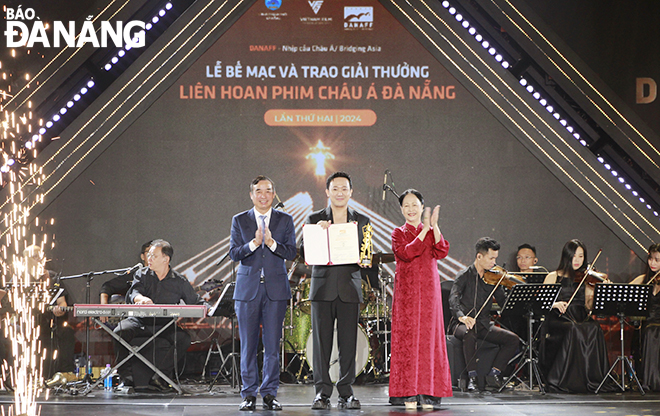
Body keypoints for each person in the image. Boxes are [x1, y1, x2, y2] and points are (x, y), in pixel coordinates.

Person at [229, 175, 297, 411]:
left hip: (275, 291)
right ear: (251, 194)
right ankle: (248, 394)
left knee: (272, 345)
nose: (264, 195)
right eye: (259, 191)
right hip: (247, 290)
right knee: (248, 345)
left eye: (268, 191)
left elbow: (291, 252)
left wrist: (271, 243)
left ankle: (269, 393)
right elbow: (234, 253)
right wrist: (255, 244)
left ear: (273, 194)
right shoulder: (240, 220)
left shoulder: (285, 220)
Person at [304, 171, 370, 410]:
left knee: (348, 344)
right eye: (335, 189)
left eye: (344, 189)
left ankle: (346, 392)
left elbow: (367, 253)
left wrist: (365, 259)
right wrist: (318, 234)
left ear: (351, 192)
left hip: (349, 289)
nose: (340, 193)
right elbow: (305, 253)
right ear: (327, 192)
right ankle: (321, 393)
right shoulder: (314, 218)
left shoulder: (362, 221)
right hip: (322, 288)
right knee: (321, 344)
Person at [388, 189, 452, 410]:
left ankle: (429, 391)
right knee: (407, 341)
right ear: (401, 209)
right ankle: (408, 392)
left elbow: (442, 250)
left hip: (429, 293)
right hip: (407, 293)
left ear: (421, 207)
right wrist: (424, 230)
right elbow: (407, 253)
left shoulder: (430, 230)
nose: (411, 209)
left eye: (415, 205)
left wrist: (433, 227)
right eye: (406, 206)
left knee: (428, 340)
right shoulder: (398, 232)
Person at [113, 239, 203, 392]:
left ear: (165, 259)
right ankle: (125, 378)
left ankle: (160, 378)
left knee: (183, 339)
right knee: (119, 332)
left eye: (153, 256)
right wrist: (141, 299)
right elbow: (134, 292)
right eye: (148, 255)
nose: (149, 259)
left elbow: (195, 301)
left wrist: (211, 308)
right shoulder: (142, 274)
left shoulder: (179, 281)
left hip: (164, 324)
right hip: (139, 321)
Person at [540, 239, 612, 393]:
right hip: (559, 319)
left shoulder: (586, 278)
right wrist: (555, 304)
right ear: (567, 257)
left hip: (580, 316)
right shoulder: (553, 276)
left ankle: (590, 377)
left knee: (594, 327)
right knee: (573, 329)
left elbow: (588, 306)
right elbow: (540, 303)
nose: (578, 260)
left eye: (581, 256)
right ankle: (565, 379)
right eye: (574, 256)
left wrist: (600, 292)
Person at [448, 237, 520, 392]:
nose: (494, 263)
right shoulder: (464, 275)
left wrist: (513, 293)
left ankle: (494, 374)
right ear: (479, 257)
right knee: (469, 332)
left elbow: (503, 303)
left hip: (484, 324)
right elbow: (453, 299)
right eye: (491, 258)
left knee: (512, 339)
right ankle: (472, 377)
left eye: (495, 258)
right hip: (461, 324)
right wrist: (462, 316)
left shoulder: (494, 278)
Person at [630, 243, 660, 391]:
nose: (652, 263)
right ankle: (650, 380)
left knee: (653, 331)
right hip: (646, 323)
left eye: (657, 260)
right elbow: (625, 293)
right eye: (650, 259)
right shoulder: (643, 279)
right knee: (650, 331)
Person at [99, 240, 152, 305]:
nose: (151, 256)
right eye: (149, 252)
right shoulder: (136, 275)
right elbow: (107, 286)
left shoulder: (164, 275)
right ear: (142, 256)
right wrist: (104, 309)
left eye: (155, 253)